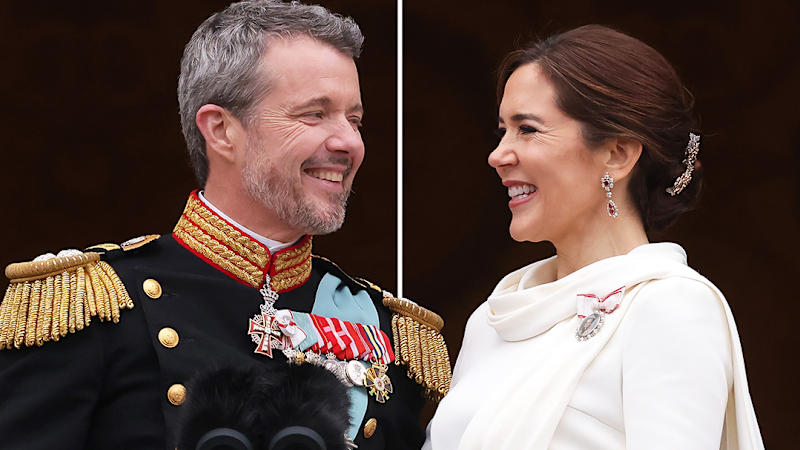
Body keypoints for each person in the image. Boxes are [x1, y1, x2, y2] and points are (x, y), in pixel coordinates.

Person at [0, 2, 450, 449]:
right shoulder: (94, 307)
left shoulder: (391, 330)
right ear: (220, 130)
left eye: (354, 119)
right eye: (314, 114)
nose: (349, 142)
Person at [423, 25, 763, 450]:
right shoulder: (494, 318)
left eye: (527, 129)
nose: (497, 155)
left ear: (617, 154)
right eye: (502, 132)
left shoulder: (669, 308)